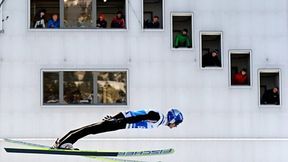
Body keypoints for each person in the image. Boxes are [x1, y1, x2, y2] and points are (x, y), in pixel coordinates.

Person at [52, 109, 184, 150]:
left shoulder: (159, 120)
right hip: (120, 122)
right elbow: (137, 118)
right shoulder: (157, 117)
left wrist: (116, 119)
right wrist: (117, 120)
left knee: (90, 129)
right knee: (89, 129)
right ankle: (64, 144)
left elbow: (133, 115)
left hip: (120, 121)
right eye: (176, 123)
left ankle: (61, 143)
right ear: (173, 119)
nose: (175, 126)